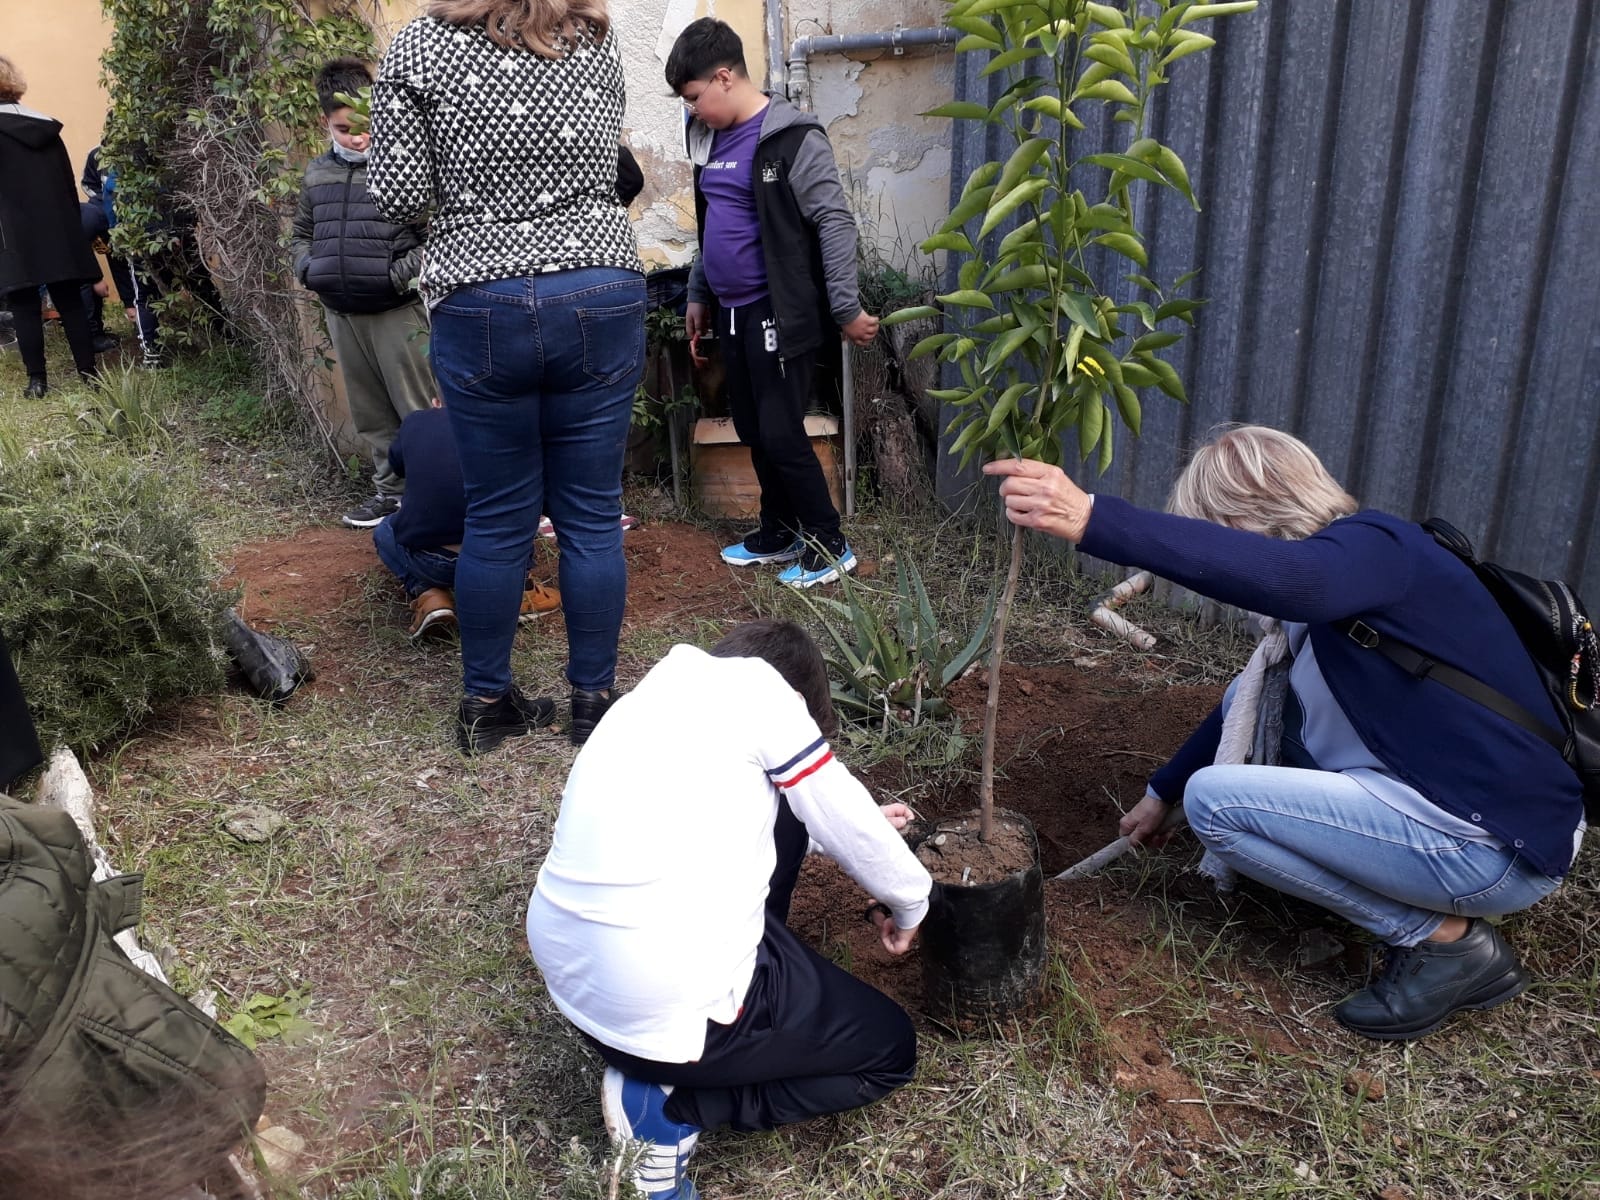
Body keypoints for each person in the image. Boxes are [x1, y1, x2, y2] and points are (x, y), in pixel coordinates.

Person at [986, 426, 1586, 1041]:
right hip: (1470, 811)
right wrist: (1162, 791)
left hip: (1494, 849)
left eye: (1210, 532)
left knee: (1217, 805)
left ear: (1244, 515)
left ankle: (1447, 944)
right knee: (1247, 728)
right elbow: (1250, 700)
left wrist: (1092, 519)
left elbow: (1293, 578)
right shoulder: (1327, 601)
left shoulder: (1378, 548)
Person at [527, 619, 930, 1200]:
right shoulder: (767, 697)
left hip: (575, 989)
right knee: (890, 1048)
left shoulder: (657, 693)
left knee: (790, 816)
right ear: (797, 698)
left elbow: (715, 814)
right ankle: (671, 1106)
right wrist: (911, 903)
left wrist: (826, 832)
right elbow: (852, 824)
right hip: (661, 1008)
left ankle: (682, 1068)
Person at [370, 0, 647, 754]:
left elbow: (396, 194)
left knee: (496, 516)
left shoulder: (420, 46)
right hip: (598, 281)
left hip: (479, 291)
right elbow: (612, 164)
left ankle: (486, 706)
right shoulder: (590, 34)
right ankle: (593, 704)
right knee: (592, 513)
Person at [666, 19, 878, 589]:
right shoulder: (709, 140)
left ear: (724, 77)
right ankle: (779, 530)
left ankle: (830, 544)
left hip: (774, 311)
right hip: (731, 311)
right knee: (755, 428)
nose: (691, 111)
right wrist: (697, 292)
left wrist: (845, 307)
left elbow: (833, 222)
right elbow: (714, 224)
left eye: (693, 98)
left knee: (783, 430)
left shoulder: (793, 138)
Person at [289, 58, 434, 530]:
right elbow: (301, 235)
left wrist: (397, 277)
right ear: (324, 122)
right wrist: (312, 271)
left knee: (419, 411)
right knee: (371, 413)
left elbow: (435, 237)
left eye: (366, 124)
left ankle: (434, 494)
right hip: (342, 312)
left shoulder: (403, 167)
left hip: (397, 311)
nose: (358, 137)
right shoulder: (316, 174)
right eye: (344, 128)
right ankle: (390, 495)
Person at [373, 398, 561, 639]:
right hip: (503, 559)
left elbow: (398, 466)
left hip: (433, 562)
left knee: (385, 530)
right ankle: (522, 590)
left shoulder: (418, 421)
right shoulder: (517, 424)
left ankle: (429, 594)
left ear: (437, 400)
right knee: (514, 505)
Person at [0, 56, 100, 396]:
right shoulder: (45, 127)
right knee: (70, 300)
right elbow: (68, 185)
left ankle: (37, 382)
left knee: (24, 304)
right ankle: (90, 374)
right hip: (58, 227)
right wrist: (70, 225)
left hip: (11, 231)